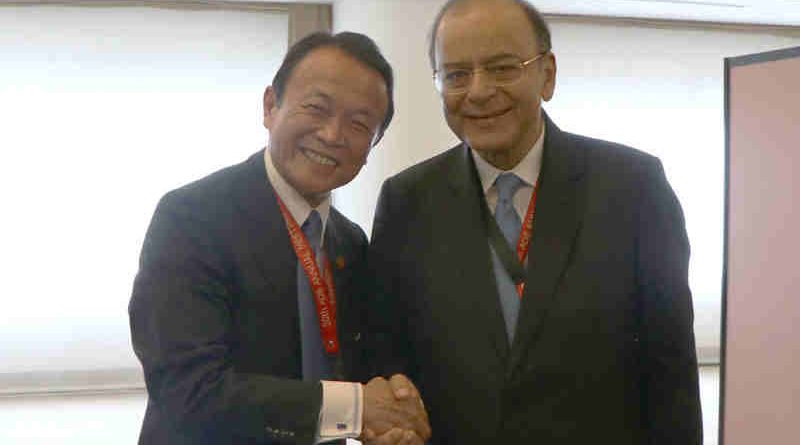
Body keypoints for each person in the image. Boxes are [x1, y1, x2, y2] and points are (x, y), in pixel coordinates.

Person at [368, 0, 703, 443]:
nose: (479, 91)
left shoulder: (633, 188)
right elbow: (388, 359)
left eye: (503, 68)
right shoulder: (406, 202)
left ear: (547, 74)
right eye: (456, 75)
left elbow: (671, 371)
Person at [129, 31, 430, 445]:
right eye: (316, 108)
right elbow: (187, 389)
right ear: (271, 106)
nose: (332, 134)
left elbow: (355, 369)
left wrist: (392, 418)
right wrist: (358, 408)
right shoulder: (192, 216)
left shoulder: (351, 243)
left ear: (372, 144)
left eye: (359, 124)